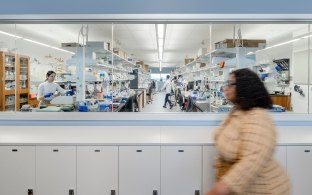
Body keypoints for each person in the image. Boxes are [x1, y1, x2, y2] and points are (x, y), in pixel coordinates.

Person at [206, 68, 290, 195]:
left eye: (230, 84)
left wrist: (221, 188)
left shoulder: (258, 117)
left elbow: (252, 160)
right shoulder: (238, 111)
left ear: (244, 87)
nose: (225, 88)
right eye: (226, 83)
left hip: (265, 189)